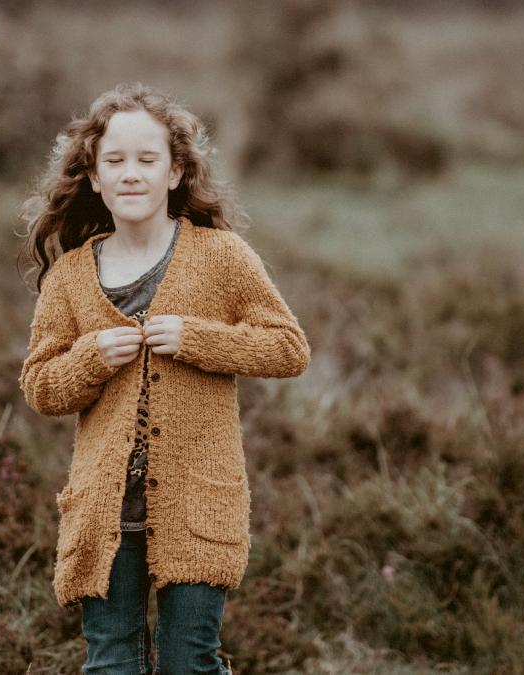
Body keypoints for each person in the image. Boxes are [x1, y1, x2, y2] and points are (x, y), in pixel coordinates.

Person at [18, 82, 309, 674]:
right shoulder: (71, 278)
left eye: (147, 160)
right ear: (94, 177)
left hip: (200, 504)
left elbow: (289, 348)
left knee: (189, 662)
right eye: (115, 161)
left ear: (175, 172)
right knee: (111, 664)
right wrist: (92, 357)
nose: (132, 174)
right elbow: (41, 385)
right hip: (102, 513)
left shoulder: (222, 256)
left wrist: (199, 339)